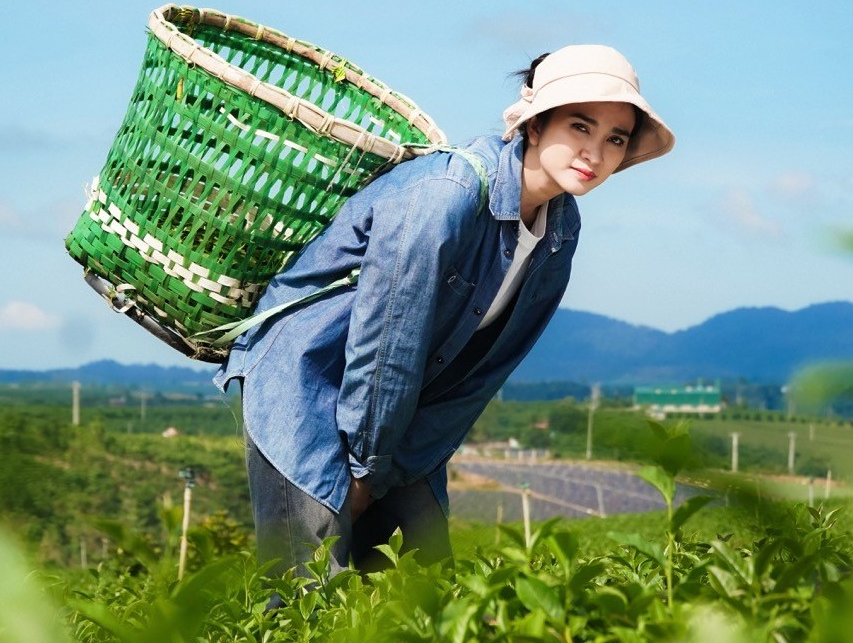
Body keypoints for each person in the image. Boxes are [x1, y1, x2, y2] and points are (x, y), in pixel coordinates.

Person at [213, 44, 675, 577]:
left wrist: (399, 464)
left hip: (396, 410)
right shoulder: (445, 196)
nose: (594, 152)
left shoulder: (560, 230)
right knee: (309, 585)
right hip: (308, 379)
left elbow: (482, 371)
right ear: (534, 125)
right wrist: (364, 470)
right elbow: (388, 343)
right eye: (579, 126)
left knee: (422, 581)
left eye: (615, 138)